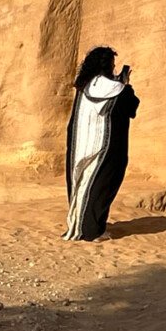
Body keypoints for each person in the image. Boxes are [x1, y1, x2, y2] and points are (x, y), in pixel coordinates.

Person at [63, 46, 139, 242]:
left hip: (80, 144)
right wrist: (125, 84)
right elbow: (130, 108)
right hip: (107, 147)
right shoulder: (119, 90)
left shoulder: (83, 87)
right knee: (103, 185)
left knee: (82, 182)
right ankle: (92, 230)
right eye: (112, 65)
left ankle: (78, 223)